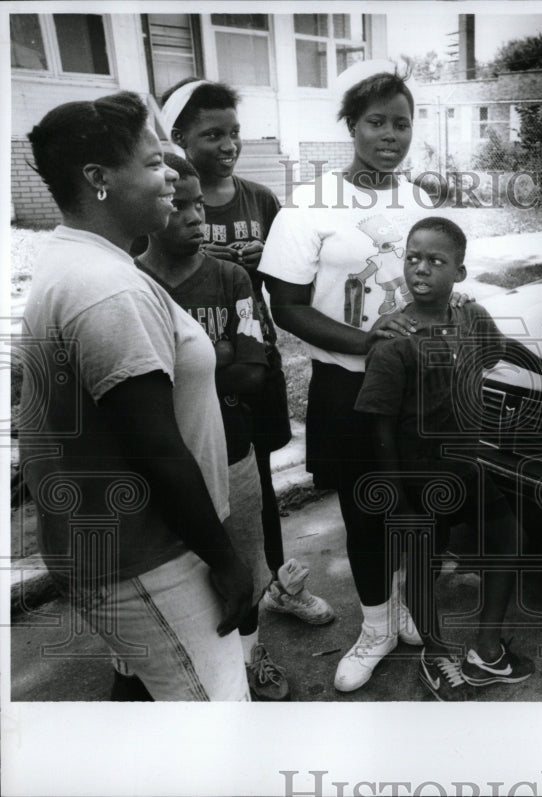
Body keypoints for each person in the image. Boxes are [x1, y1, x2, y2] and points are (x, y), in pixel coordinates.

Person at [20, 91, 253, 700]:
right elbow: (155, 448)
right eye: (153, 165)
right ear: (98, 179)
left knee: (148, 697)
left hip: (124, 549)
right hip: (150, 555)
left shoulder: (78, 260)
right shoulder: (106, 288)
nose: (172, 181)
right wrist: (225, 559)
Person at [259, 63, 462, 693]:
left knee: (418, 505)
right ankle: (374, 626)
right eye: (376, 121)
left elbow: (445, 282)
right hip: (348, 386)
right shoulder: (308, 206)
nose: (390, 135)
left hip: (420, 388)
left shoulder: (419, 202)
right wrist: (367, 343)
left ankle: (404, 608)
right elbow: (286, 304)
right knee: (367, 510)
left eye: (402, 123)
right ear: (352, 125)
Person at [354, 217, 542, 700]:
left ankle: (486, 647)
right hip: (417, 478)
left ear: (459, 273)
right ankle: (436, 653)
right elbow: (377, 423)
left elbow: (505, 349)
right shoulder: (394, 339)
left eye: (436, 261)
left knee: (510, 539)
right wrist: (397, 497)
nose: (421, 269)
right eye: (413, 258)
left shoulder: (470, 316)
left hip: (467, 466)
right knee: (424, 564)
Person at [160, 77, 333, 625]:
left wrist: (257, 262)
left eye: (234, 132)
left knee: (256, 480)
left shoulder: (260, 198)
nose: (229, 144)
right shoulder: (164, 202)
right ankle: (207, 593)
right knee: (195, 482)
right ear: (180, 135)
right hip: (189, 369)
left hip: (253, 360)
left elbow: (288, 281)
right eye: (213, 134)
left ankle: (277, 583)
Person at [136, 153, 290, 700]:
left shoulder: (228, 276)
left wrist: (187, 362)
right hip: (160, 460)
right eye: (180, 206)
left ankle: (251, 655)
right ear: (152, 208)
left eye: (199, 202)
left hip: (232, 448)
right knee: (176, 570)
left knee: (239, 561)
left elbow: (254, 368)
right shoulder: (133, 284)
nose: (196, 215)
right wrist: (218, 350)